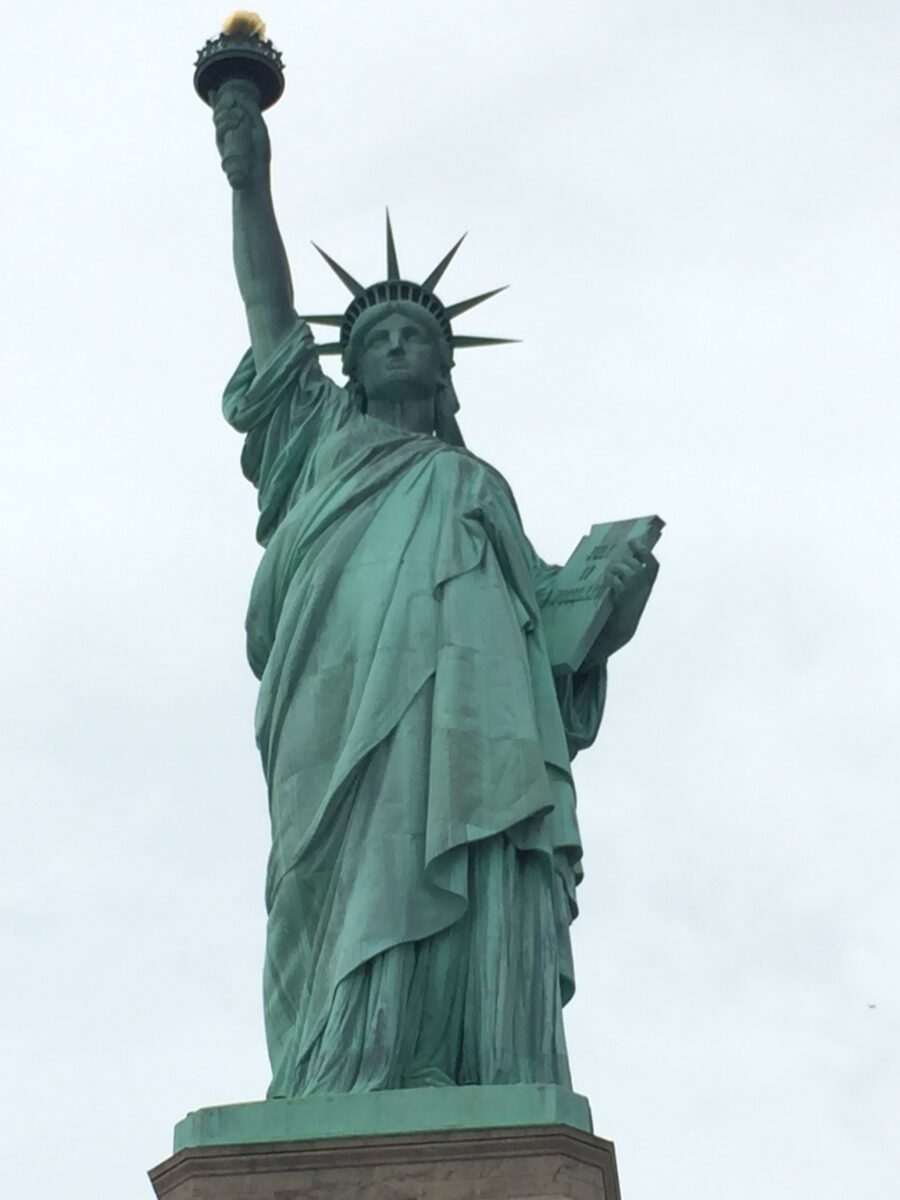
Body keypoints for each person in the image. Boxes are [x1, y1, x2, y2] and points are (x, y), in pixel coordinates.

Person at [211, 81, 657, 1098]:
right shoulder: (319, 441)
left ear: (449, 373)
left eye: (419, 334)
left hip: (471, 718)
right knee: (333, 882)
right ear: (352, 372)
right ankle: (340, 1070)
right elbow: (271, 313)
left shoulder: (473, 483)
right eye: (375, 338)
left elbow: (544, 632)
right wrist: (251, 177)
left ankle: (451, 1057)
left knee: (470, 845)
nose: (398, 342)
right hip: (334, 705)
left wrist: (604, 591)